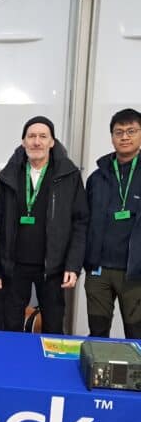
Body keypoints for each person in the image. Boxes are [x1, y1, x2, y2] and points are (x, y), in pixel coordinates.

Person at [0, 116, 89, 334]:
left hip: (53, 269)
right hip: (13, 267)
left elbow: (80, 223)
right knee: (11, 325)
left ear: (52, 142)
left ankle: (49, 367)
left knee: (53, 327)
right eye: (31, 136)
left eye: (43, 136)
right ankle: (14, 365)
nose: (37, 142)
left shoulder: (68, 175)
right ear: (23, 142)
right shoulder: (9, 175)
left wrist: (73, 265)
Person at [84, 108, 141, 339]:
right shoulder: (96, 178)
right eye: (119, 132)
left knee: (136, 333)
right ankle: (98, 376)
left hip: (135, 272)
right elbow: (83, 221)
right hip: (99, 271)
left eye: (131, 131)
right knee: (97, 332)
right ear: (111, 137)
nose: (125, 137)